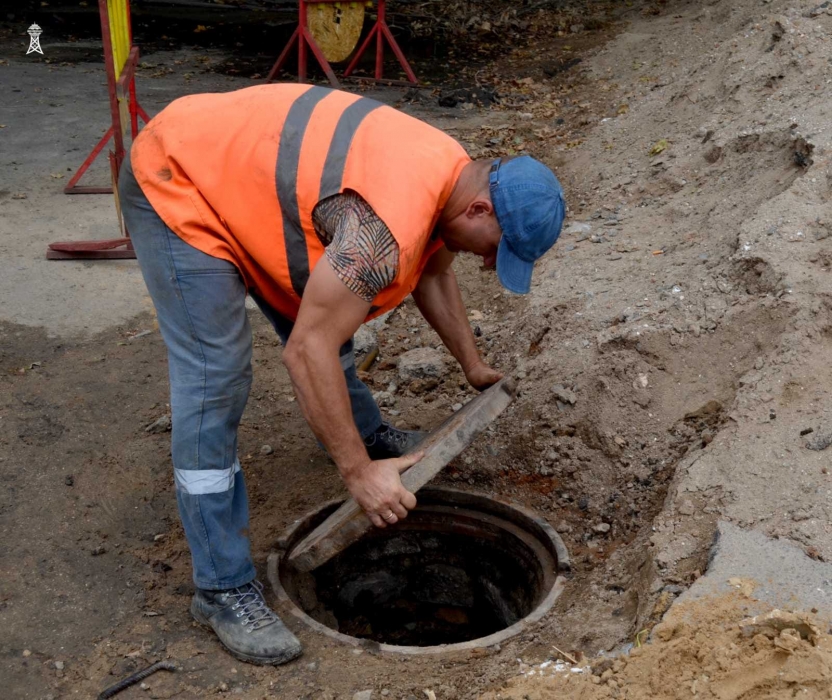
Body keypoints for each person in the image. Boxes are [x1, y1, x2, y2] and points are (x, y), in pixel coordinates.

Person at [119, 83, 565, 666]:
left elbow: (433, 272)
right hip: (181, 179)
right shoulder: (383, 233)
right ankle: (222, 587)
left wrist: (473, 366)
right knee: (216, 376)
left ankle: (369, 437)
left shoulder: (455, 180)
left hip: (251, 180)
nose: (487, 264)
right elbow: (307, 351)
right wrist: (358, 476)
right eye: (495, 250)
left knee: (334, 307)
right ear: (480, 209)